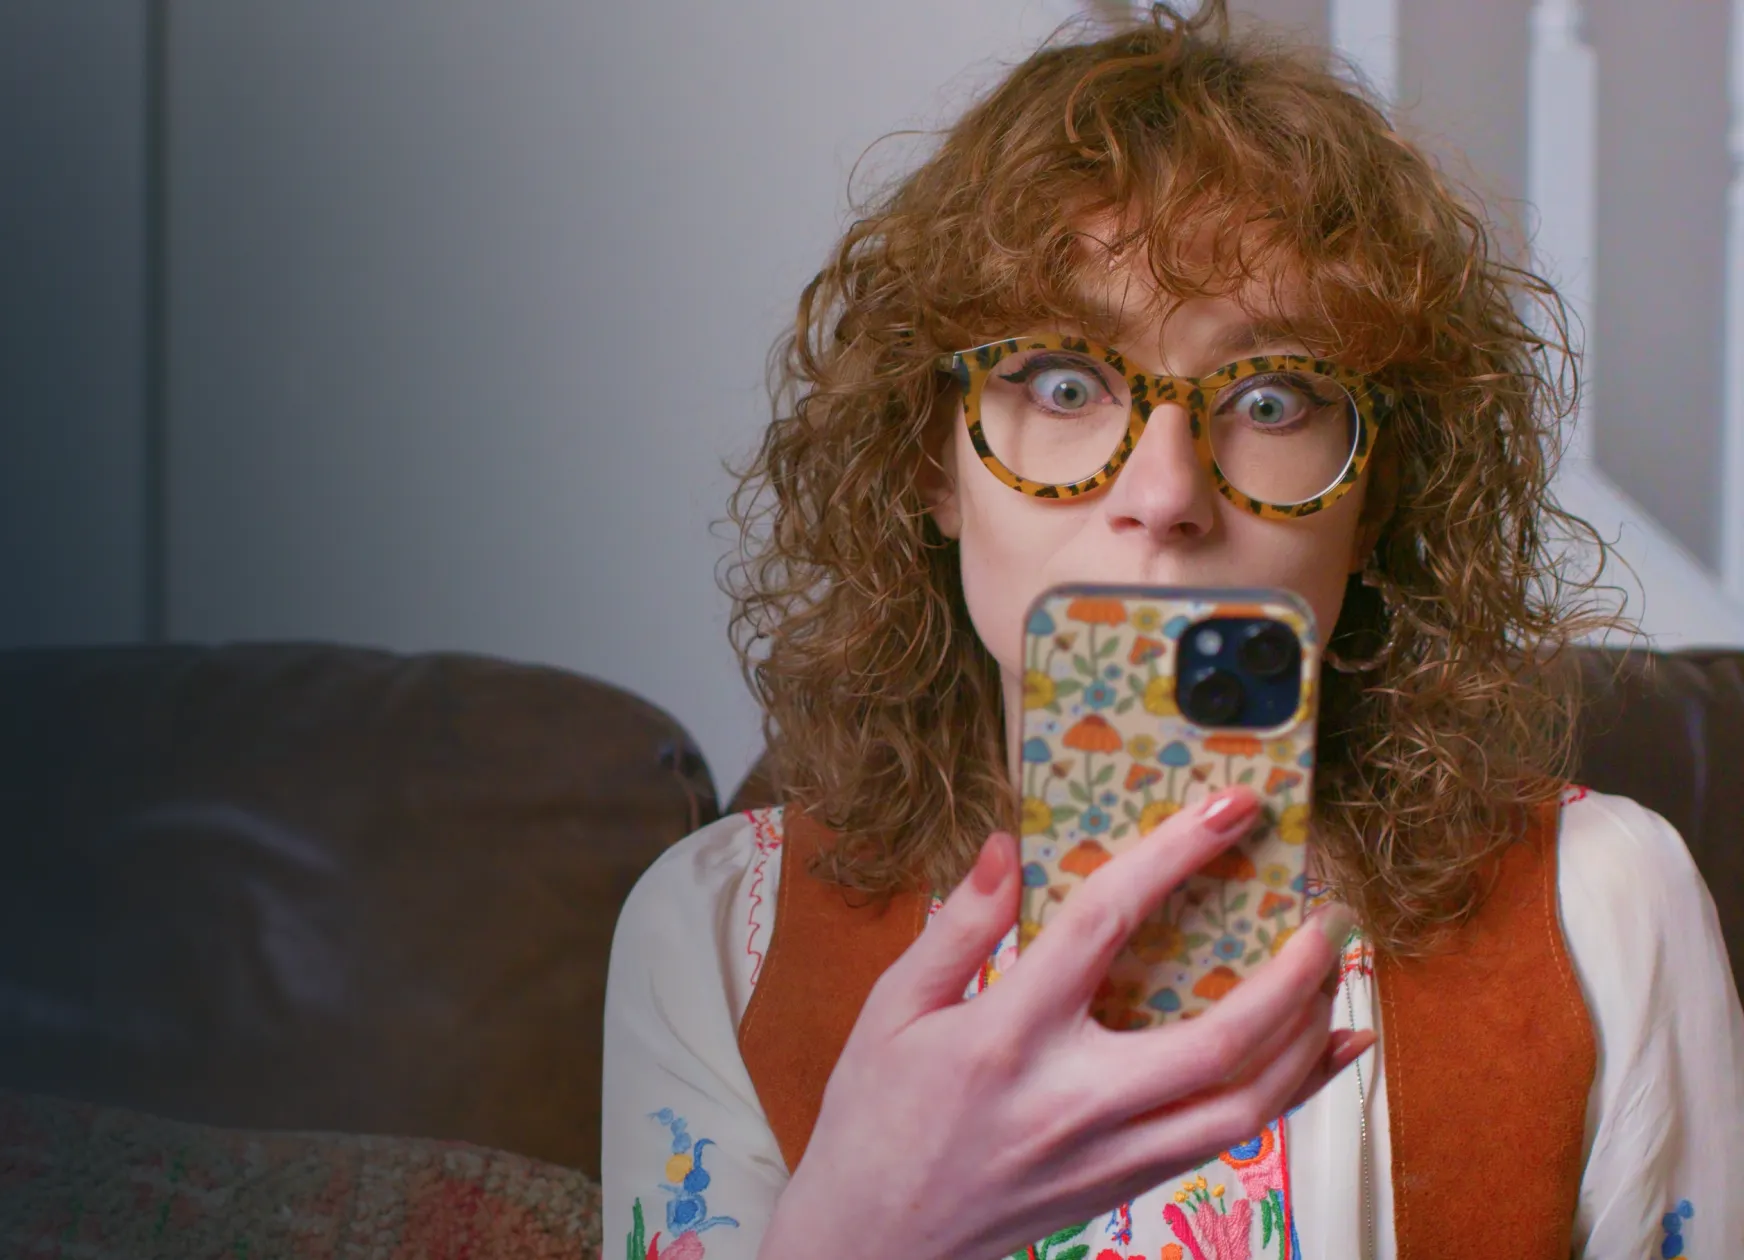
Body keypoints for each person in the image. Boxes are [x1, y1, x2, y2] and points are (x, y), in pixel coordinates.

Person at [598, 4, 1744, 1258]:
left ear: (1373, 500)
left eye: (1274, 397)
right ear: (933, 463)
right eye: (1065, 384)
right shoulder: (722, 933)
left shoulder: (1602, 904)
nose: (1166, 493)